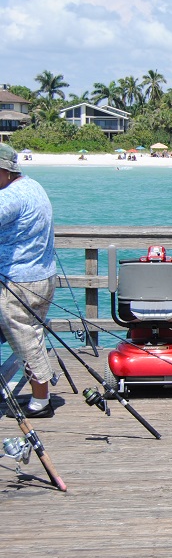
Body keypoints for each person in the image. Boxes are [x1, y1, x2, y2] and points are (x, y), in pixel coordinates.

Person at [0, 144, 58, 418]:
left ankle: (40, 401)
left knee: (26, 341)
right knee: (32, 335)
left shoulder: (10, 197)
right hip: (41, 277)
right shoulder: (33, 186)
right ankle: (40, 391)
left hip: (18, 283)